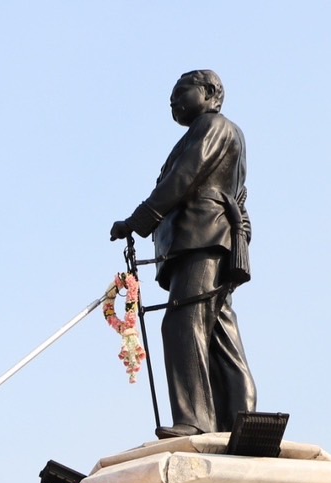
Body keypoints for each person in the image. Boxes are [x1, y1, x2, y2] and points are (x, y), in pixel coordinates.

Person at [111, 69, 257, 439]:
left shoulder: (214, 127)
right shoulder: (212, 130)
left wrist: (138, 220)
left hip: (202, 236)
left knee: (183, 323)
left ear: (209, 92)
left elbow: (184, 178)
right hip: (204, 240)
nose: (173, 101)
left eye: (181, 91)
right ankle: (239, 416)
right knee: (217, 329)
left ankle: (195, 419)